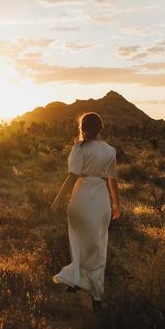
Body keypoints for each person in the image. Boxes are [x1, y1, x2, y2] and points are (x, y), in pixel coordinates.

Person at [50, 112, 121, 309]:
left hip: (81, 199)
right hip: (100, 199)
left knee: (78, 241)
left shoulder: (80, 148)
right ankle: (96, 294)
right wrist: (116, 204)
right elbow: (113, 181)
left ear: (83, 128)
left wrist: (57, 201)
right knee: (98, 244)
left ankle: (76, 280)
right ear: (100, 127)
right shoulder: (110, 150)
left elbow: (72, 177)